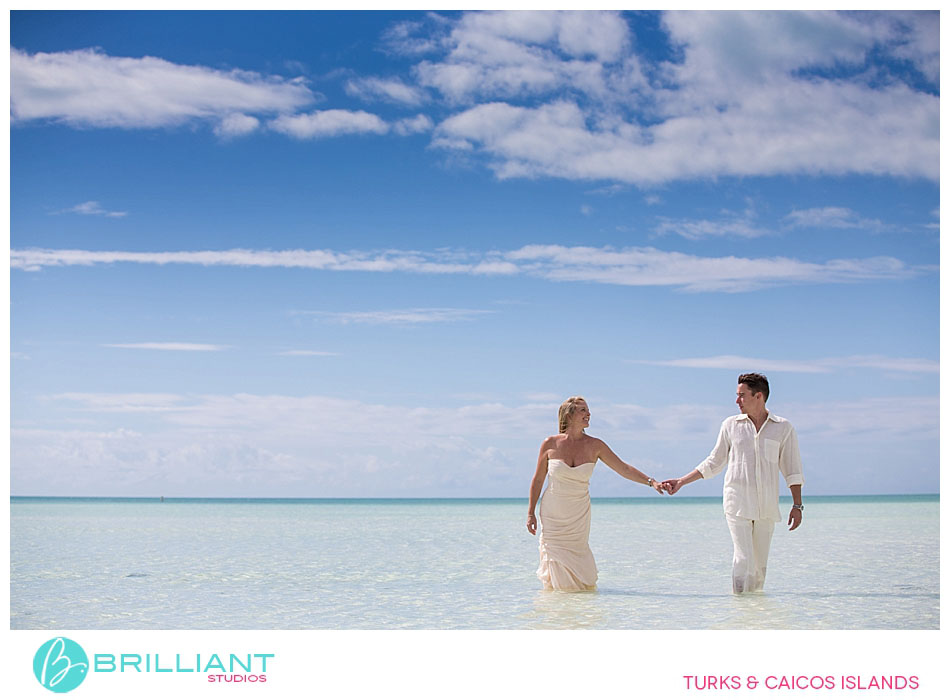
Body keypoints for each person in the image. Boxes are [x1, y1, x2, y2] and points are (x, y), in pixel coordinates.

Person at [663, 373, 804, 594]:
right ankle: (739, 604)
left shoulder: (783, 428)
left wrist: (797, 506)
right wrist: (681, 481)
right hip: (737, 503)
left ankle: (755, 610)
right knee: (743, 559)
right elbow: (714, 462)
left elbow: (792, 469)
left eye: (741, 395)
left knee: (759, 567)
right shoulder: (730, 425)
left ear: (758, 396)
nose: (737, 400)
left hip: (767, 507)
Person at [527, 396, 666, 591]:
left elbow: (624, 468)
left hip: (578, 513)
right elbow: (538, 480)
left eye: (588, 410)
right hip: (553, 513)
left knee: (577, 556)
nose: (589, 414)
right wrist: (530, 513)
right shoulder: (550, 443)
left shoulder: (596, 445)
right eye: (583, 410)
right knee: (555, 558)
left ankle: (578, 604)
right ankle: (557, 604)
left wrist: (652, 482)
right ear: (569, 415)